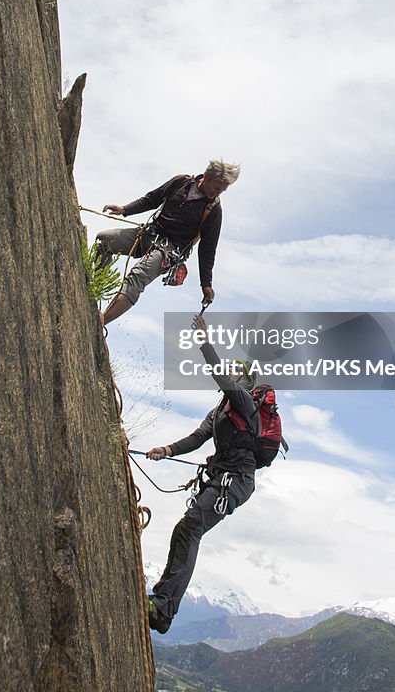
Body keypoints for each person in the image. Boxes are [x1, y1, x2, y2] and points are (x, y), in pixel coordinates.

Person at [145, 320, 259, 634]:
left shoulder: (244, 402)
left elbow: (222, 378)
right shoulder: (220, 411)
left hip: (235, 481)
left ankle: (165, 608)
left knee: (191, 527)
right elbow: (198, 438)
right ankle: (162, 600)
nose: (232, 375)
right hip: (222, 478)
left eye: (237, 373)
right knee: (185, 529)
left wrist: (204, 342)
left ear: (244, 382)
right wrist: (167, 450)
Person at [96, 159, 240, 324]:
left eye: (222, 190)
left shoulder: (213, 210)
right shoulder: (181, 182)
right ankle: (96, 292)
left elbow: (207, 250)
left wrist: (206, 284)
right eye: (216, 187)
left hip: (169, 250)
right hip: (149, 234)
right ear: (206, 177)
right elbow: (152, 199)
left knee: (138, 276)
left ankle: (100, 322)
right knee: (104, 240)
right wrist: (125, 209)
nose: (218, 193)